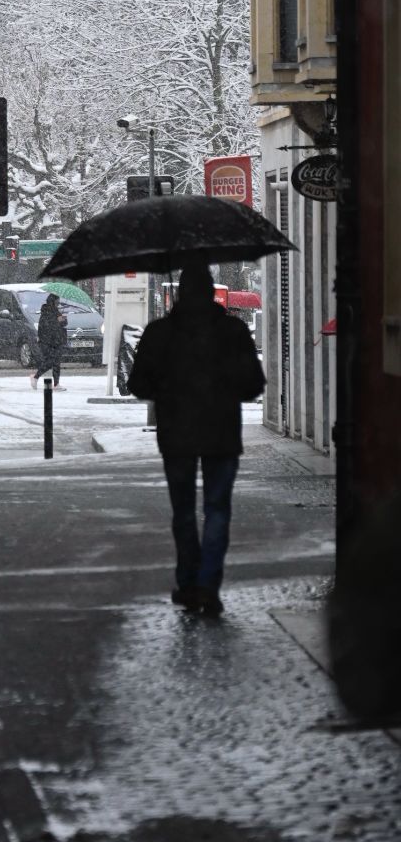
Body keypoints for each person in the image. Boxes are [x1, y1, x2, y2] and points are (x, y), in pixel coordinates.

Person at [128, 261, 266, 616]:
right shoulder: (233, 331)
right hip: (221, 432)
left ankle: (188, 581)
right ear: (210, 292)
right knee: (218, 510)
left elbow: (138, 384)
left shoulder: (161, 332)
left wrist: (169, 388)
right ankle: (207, 583)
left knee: (184, 511)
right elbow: (253, 385)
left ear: (179, 292)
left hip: (177, 434)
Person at [31, 293, 68, 390]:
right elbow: (47, 326)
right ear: (52, 301)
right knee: (51, 362)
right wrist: (57, 320)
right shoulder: (46, 312)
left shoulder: (56, 311)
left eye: (59, 301)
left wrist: (63, 319)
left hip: (58, 340)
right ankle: (35, 377)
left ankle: (56, 384)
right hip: (48, 342)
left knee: (56, 363)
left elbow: (63, 324)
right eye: (57, 301)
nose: (58, 303)